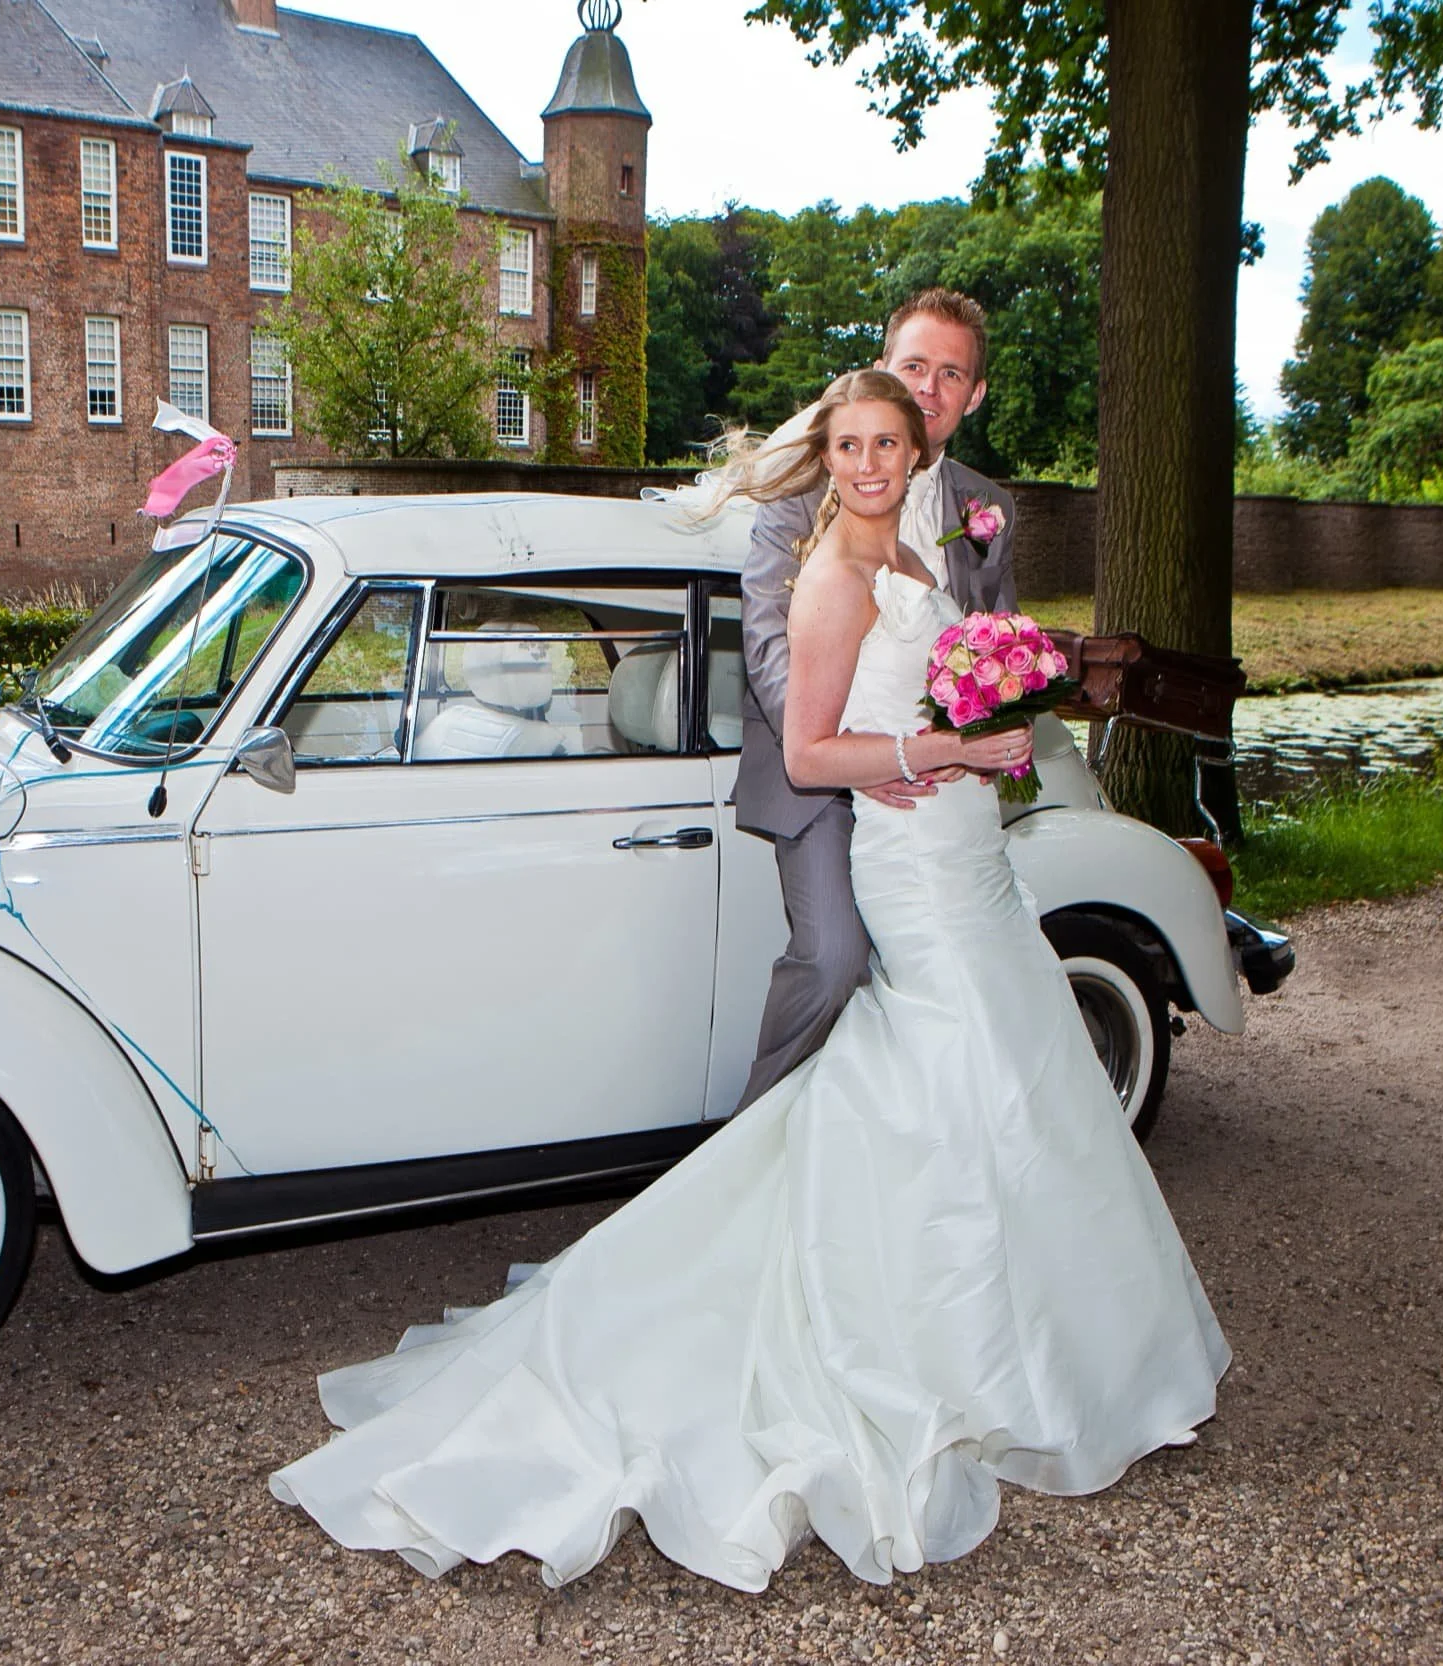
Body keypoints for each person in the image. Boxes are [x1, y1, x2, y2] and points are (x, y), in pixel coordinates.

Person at [268, 370, 1230, 1592]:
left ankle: (1047, 1350)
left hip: (970, 851)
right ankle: (949, 1351)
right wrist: (943, 746)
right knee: (960, 1061)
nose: (872, 463)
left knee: (1016, 1064)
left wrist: (988, 720)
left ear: (918, 443)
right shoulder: (830, 576)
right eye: (850, 445)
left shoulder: (929, 564)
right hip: (913, 863)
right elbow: (810, 746)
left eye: (889, 441)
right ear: (825, 458)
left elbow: (941, 693)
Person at [738, 286, 1018, 1110]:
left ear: (974, 394)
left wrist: (1002, 726)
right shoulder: (799, 494)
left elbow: (997, 646)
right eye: (913, 366)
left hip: (940, 789)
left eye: (950, 373)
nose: (929, 387)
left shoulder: (986, 510)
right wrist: (857, 757)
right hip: (821, 777)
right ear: (882, 365)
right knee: (833, 957)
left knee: (971, 970)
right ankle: (752, 1159)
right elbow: (765, 642)